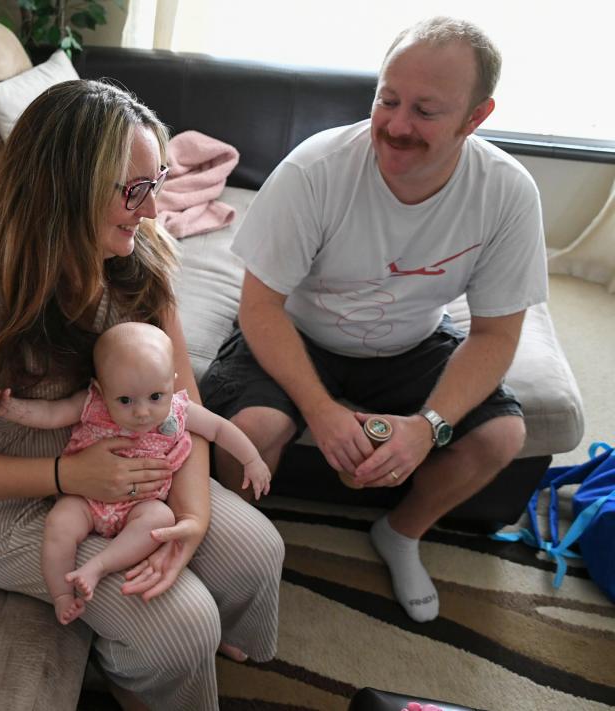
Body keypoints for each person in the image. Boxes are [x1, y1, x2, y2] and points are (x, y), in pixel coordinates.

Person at [0, 80, 284, 710]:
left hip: (134, 467)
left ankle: (200, 639)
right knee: (179, 627)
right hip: (18, 506)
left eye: (156, 181)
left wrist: (192, 520)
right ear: (66, 190)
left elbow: (181, 406)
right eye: (133, 191)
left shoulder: (142, 262)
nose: (151, 209)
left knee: (257, 552)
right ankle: (142, 668)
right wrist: (67, 473)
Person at [199, 16, 547, 624]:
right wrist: (320, 409)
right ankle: (238, 547)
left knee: (501, 435)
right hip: (297, 330)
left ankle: (402, 533)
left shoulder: (507, 194)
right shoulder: (317, 169)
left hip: (412, 343)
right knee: (252, 426)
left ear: (476, 117)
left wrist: (428, 427)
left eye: (426, 110)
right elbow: (260, 306)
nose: (397, 125)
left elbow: (496, 334)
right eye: (388, 99)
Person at [0, 321, 271, 625]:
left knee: (161, 520)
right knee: (59, 523)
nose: (142, 412)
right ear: (99, 389)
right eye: (125, 400)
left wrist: (252, 460)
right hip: (86, 500)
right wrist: (11, 409)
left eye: (156, 396)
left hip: (141, 506)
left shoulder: (179, 410)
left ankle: (98, 567)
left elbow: (219, 428)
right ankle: (63, 595)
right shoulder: (92, 405)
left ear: (172, 382)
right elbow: (51, 415)